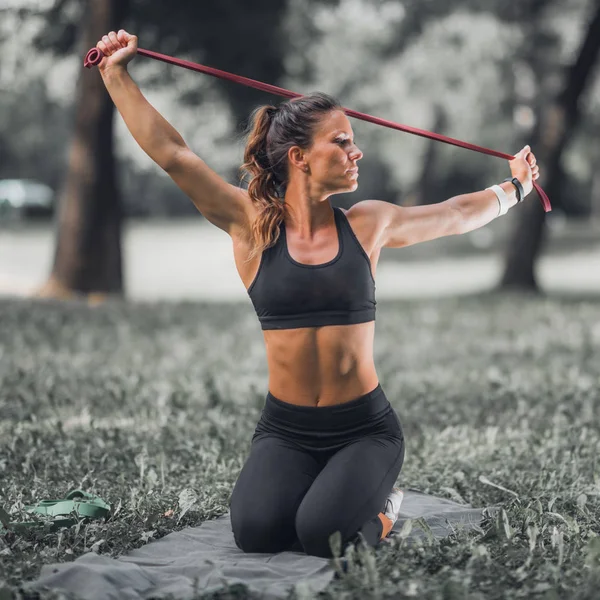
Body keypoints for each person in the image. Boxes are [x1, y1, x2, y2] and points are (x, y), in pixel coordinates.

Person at [95, 30, 540, 558]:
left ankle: (384, 506)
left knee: (320, 536)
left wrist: (513, 188)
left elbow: (453, 214)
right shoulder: (250, 227)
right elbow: (174, 155)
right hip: (285, 429)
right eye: (343, 141)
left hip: (365, 430)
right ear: (300, 158)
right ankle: (330, 491)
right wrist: (114, 74)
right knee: (256, 532)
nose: (357, 150)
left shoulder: (367, 226)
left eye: (353, 139)